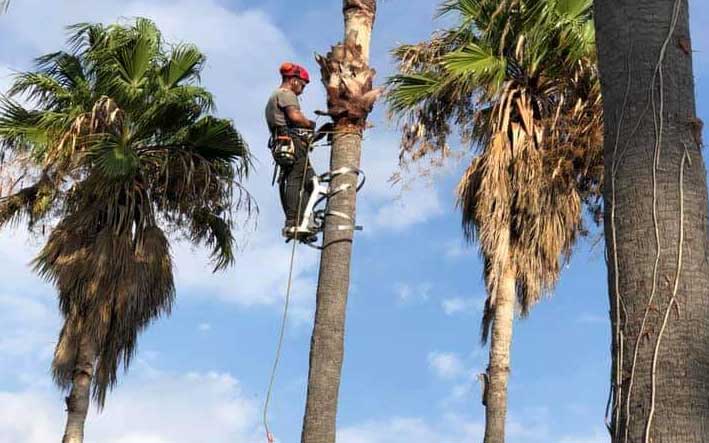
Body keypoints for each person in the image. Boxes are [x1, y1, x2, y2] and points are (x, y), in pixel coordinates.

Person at [265, 62, 318, 240]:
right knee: (296, 179)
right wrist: (310, 124)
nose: (302, 89)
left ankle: (306, 218)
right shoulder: (286, 94)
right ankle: (294, 221)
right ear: (294, 81)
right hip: (293, 142)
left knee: (311, 180)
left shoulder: (274, 96)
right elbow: (295, 117)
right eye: (302, 85)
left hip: (283, 143)